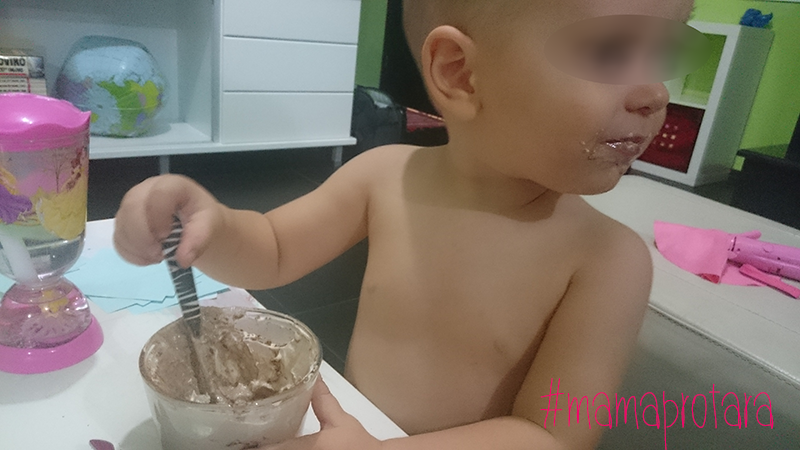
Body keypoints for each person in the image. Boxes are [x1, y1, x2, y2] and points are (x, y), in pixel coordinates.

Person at [114, 0, 696, 448]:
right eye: (612, 51)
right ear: (461, 73)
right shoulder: (383, 175)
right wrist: (210, 225)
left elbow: (554, 435)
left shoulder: (609, 261)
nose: (655, 93)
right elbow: (274, 249)